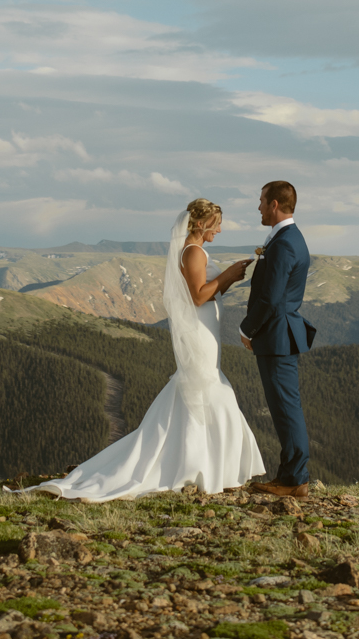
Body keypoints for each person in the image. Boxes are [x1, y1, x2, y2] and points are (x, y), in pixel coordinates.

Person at [18, 199, 264, 502]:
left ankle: (204, 465)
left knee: (203, 389)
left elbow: (202, 294)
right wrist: (227, 275)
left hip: (204, 329)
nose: (220, 229)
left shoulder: (194, 251)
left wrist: (230, 279)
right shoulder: (193, 252)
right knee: (207, 388)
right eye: (217, 224)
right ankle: (204, 466)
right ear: (200, 224)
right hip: (199, 332)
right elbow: (199, 296)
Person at [240, 180, 317, 498]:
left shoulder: (284, 243)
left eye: (261, 201)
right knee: (284, 407)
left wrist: (248, 329)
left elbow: (272, 299)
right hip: (280, 335)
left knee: (286, 408)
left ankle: (294, 479)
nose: (258, 206)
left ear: (274, 204)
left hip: (277, 336)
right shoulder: (287, 238)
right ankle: (289, 475)